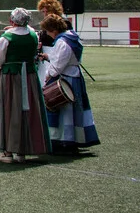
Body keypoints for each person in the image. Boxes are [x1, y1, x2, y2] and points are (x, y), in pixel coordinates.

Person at [0, 8, 51, 163]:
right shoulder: (33, 35)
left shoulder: (7, 37)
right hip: (29, 76)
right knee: (28, 110)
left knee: (10, 110)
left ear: (12, 21)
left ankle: (8, 152)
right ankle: (22, 152)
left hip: (11, 76)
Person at [40, 14, 100, 153]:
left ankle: (65, 141)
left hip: (66, 79)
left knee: (64, 111)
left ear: (54, 30)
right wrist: (49, 57)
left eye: (48, 31)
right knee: (75, 110)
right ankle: (75, 138)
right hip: (75, 76)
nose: (48, 34)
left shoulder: (62, 42)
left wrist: (48, 76)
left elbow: (58, 66)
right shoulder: (73, 37)